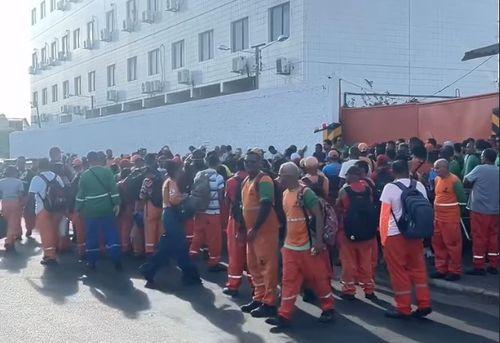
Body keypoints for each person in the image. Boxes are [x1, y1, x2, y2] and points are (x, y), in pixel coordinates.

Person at [266, 162, 334, 331]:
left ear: (290, 177)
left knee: (319, 279)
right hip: (290, 247)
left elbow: (318, 214)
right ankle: (284, 315)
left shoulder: (306, 193)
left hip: (307, 247)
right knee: (288, 282)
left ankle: (328, 308)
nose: (279, 179)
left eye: (282, 176)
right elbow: (290, 219)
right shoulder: (284, 194)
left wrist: (318, 241)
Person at [379, 159, 432, 319]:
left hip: (395, 235)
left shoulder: (390, 188)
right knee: (418, 269)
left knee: (399, 272)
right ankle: (424, 303)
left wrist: (383, 240)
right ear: (407, 170)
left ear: (392, 172)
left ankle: (403, 307)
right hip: (415, 234)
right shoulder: (419, 185)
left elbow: (384, 216)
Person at [139, 160, 201, 288]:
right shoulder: (171, 182)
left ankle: (149, 270)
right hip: (171, 215)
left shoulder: (168, 181)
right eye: (179, 170)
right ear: (174, 171)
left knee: (165, 248)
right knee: (181, 246)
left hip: (169, 215)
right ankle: (190, 275)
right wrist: (185, 197)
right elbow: (173, 199)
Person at [240, 150, 280, 318]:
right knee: (253, 266)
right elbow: (243, 207)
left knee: (267, 267)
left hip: (264, 231)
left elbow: (265, 205)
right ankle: (258, 298)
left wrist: (255, 227)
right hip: (252, 233)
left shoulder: (264, 180)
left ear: (260, 163)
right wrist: (244, 228)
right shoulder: (245, 181)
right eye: (247, 162)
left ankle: (269, 302)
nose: (249, 165)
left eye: (253, 162)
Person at [336, 166, 377, 301]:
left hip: (347, 231)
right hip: (366, 231)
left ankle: (349, 290)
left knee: (348, 261)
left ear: (353, 175)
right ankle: (369, 289)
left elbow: (338, 207)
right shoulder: (367, 189)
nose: (345, 177)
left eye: (347, 174)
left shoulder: (344, 191)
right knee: (365, 261)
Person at [76, 151, 122, 270]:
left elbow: (81, 194)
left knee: (92, 235)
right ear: (98, 159)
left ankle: (92, 262)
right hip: (107, 208)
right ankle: (116, 258)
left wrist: (78, 208)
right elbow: (113, 189)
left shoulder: (85, 175)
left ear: (88, 161)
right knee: (111, 232)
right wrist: (117, 204)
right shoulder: (107, 172)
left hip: (90, 210)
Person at [463, 148, 499, 275]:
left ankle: (479, 266)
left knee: (479, 237)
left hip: (479, 209)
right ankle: (493, 264)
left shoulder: (479, 168)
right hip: (495, 210)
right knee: (493, 237)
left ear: (485, 157)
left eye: (482, 155)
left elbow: (466, 181)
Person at [189, 152, 226, 272]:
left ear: (206, 162)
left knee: (198, 234)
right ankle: (213, 262)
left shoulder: (199, 174)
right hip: (213, 212)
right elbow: (220, 197)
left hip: (199, 210)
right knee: (214, 238)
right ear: (218, 164)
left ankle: (192, 255)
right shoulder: (219, 177)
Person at [431, 159, 466, 281]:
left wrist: (456, 214)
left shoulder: (455, 181)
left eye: (437, 168)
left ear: (445, 167)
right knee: (438, 245)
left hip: (450, 219)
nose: (435, 170)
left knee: (453, 245)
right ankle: (441, 269)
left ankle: (454, 271)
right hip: (438, 218)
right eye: (435, 168)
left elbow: (462, 200)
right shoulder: (437, 180)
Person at [27, 158, 66, 265]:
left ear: (39, 167)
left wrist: (28, 211)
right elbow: (63, 191)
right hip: (57, 208)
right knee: (55, 229)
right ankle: (57, 247)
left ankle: (49, 256)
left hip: (43, 209)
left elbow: (31, 196)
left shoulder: (37, 178)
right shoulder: (56, 176)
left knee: (46, 233)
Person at [222, 158, 250, 296]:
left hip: (236, 219)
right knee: (252, 254)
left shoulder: (231, 182)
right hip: (251, 220)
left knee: (235, 253)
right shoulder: (254, 180)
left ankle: (233, 286)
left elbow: (227, 202)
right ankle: (257, 287)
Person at [140, 154, 164, 255]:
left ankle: (150, 251)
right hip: (162, 206)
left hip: (151, 206)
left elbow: (142, 195)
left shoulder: (147, 178)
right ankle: (161, 250)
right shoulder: (162, 175)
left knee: (150, 229)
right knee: (161, 229)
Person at [0, 166, 25, 252]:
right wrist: (22, 203)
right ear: (14, 173)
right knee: (14, 221)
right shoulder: (19, 182)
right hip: (15, 202)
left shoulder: (1, 182)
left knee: (7, 221)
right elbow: (21, 194)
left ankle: (15, 235)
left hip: (5, 202)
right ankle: (9, 241)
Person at [68, 158, 86, 259]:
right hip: (86, 206)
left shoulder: (77, 177)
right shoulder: (85, 175)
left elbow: (73, 194)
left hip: (78, 206)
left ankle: (82, 250)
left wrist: (70, 207)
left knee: (79, 230)